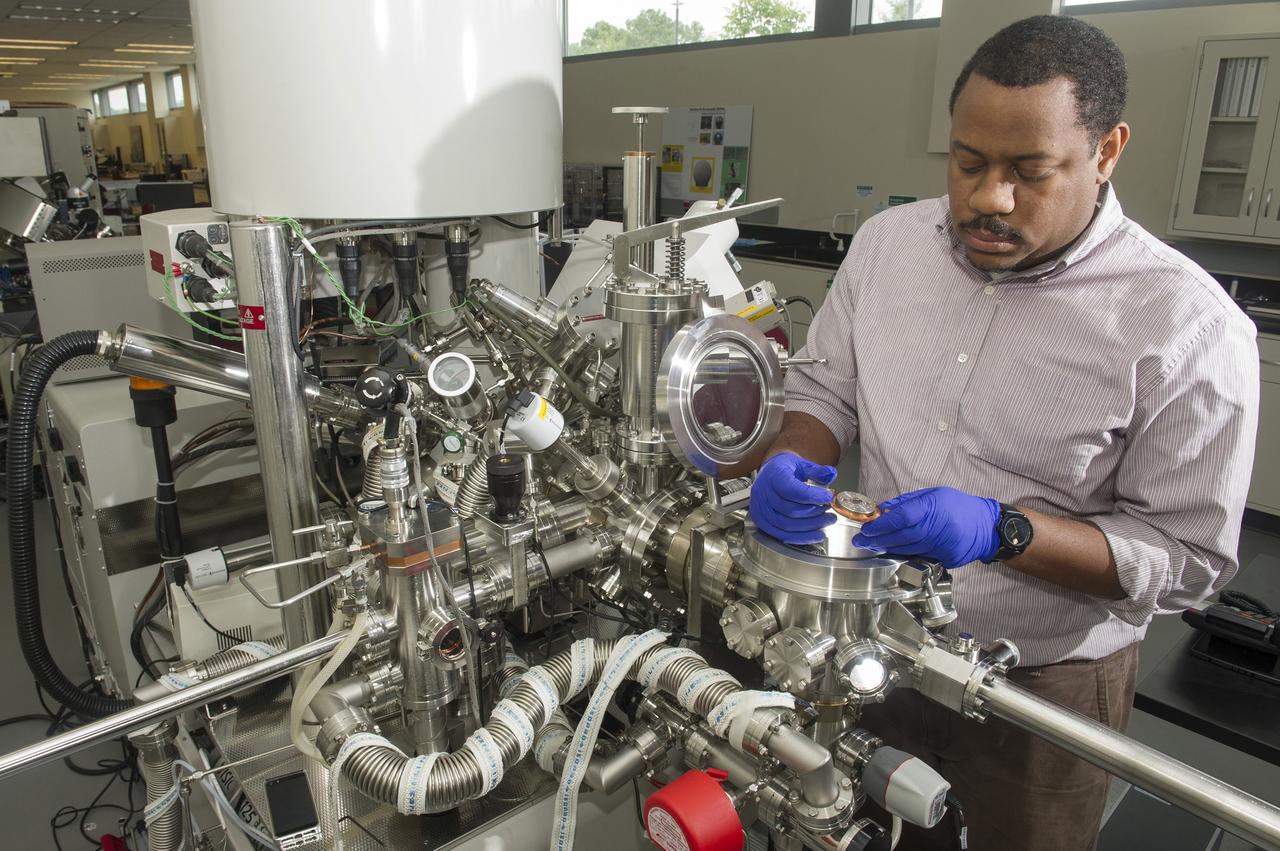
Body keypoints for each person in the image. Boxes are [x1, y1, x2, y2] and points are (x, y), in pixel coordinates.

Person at [748, 15, 1259, 851]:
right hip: (877, 642)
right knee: (845, 831)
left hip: (1043, 687)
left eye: (1030, 171)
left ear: (1106, 151)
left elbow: (1188, 557)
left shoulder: (1187, 326)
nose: (990, 197)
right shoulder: (887, 247)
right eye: (968, 162)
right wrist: (791, 459)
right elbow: (824, 386)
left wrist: (1003, 532)